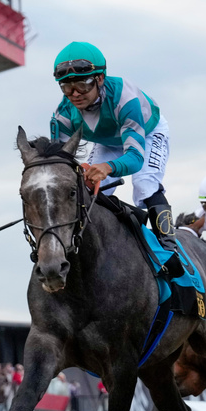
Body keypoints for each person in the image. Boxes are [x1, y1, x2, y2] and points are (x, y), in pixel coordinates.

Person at [49, 41, 184, 277]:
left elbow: (134, 159)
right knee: (90, 190)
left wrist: (108, 167)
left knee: (144, 185)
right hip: (108, 141)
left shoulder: (125, 100)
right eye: (66, 87)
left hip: (148, 132)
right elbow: (59, 165)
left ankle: (169, 249)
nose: (75, 94)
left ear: (100, 78)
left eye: (82, 83)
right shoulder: (62, 115)